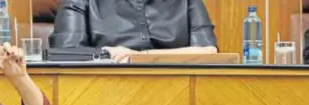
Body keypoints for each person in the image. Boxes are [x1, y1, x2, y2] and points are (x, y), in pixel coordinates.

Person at [48, 0, 218, 63]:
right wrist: (110, 57)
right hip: (103, 93)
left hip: (179, 92)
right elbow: (66, 55)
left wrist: (138, 56)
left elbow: (208, 52)